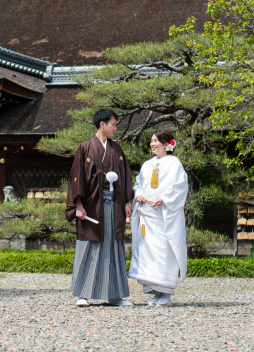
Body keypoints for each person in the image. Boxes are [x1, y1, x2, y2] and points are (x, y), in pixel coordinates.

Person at [66, 108, 134, 306]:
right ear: (102, 124)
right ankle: (83, 294)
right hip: (92, 205)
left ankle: (115, 295)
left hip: (114, 204)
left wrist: (126, 202)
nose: (115, 128)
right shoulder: (85, 147)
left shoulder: (116, 149)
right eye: (113, 124)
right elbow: (77, 178)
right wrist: (78, 205)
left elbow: (124, 176)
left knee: (114, 246)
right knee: (89, 245)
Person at [128, 129, 189, 307]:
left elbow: (180, 186)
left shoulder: (174, 163)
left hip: (164, 215)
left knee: (164, 251)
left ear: (166, 144)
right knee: (149, 253)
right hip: (148, 215)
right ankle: (156, 291)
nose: (152, 144)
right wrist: (138, 194)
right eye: (151, 141)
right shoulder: (147, 164)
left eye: (156, 141)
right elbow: (139, 184)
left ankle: (166, 293)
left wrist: (165, 199)